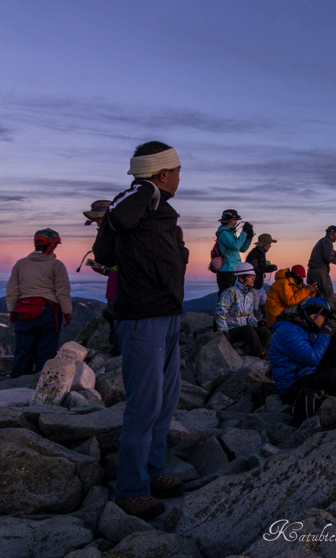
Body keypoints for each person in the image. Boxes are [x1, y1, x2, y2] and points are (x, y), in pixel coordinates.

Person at [94, 141, 188, 520]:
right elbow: (116, 223)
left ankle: (152, 469)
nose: (181, 178)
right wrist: (145, 187)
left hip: (167, 314)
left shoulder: (158, 209)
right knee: (144, 403)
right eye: (177, 171)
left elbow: (108, 253)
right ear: (162, 173)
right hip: (141, 317)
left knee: (166, 398)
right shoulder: (136, 197)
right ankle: (131, 488)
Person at [269, 297, 336, 424]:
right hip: (291, 387)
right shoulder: (288, 331)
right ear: (314, 314)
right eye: (324, 318)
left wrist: (334, 337)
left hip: (307, 375)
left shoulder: (307, 327)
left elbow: (318, 348)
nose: (325, 322)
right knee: (331, 375)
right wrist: (325, 333)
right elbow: (312, 358)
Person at [6, 229, 73, 377]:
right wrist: (67, 313)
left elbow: (12, 290)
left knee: (23, 349)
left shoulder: (21, 264)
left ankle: (17, 382)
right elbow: (62, 291)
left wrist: (12, 311)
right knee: (46, 349)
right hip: (48, 311)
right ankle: (40, 384)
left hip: (24, 310)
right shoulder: (56, 265)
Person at [83, 200, 120, 356]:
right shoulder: (115, 231)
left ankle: (119, 354)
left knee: (116, 318)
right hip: (116, 284)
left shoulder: (114, 233)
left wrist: (106, 267)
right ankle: (119, 351)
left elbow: (120, 262)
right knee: (115, 319)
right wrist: (105, 269)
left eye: (98, 219)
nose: (97, 223)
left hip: (120, 286)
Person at [214, 262, 271, 358]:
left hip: (243, 330)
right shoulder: (230, 292)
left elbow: (249, 316)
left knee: (266, 333)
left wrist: (257, 323)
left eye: (254, 276)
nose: (254, 279)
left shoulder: (250, 295)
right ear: (241, 278)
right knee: (248, 329)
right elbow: (220, 313)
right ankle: (261, 353)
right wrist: (224, 331)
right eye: (250, 276)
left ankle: (253, 355)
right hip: (230, 331)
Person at [306, 225, 336, 308]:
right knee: (329, 297)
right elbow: (329, 257)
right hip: (320, 272)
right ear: (335, 234)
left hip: (311, 272)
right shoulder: (327, 241)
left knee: (315, 296)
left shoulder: (323, 241)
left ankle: (314, 316)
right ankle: (328, 316)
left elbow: (333, 253)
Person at [213, 209, 252, 296]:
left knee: (233, 297)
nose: (236, 222)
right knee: (227, 297)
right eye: (234, 220)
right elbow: (235, 246)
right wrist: (244, 233)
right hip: (227, 270)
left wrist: (249, 238)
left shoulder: (230, 233)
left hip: (233, 269)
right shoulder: (223, 233)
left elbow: (241, 249)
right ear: (227, 221)